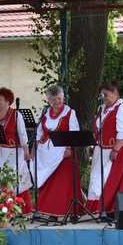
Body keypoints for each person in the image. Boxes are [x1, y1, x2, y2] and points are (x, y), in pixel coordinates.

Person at [0, 87, 33, 213]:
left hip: (12, 154)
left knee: (12, 180)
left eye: (0, 99)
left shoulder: (16, 114)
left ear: (8, 101)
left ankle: (14, 209)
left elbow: (22, 134)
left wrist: (26, 150)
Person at [34, 84, 81, 218]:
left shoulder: (70, 113)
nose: (57, 102)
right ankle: (51, 212)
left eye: (59, 99)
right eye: (53, 100)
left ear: (63, 97)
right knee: (50, 183)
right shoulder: (45, 114)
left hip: (63, 153)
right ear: (49, 100)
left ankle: (71, 212)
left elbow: (74, 133)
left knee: (64, 184)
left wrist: (69, 149)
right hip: (46, 154)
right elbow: (39, 134)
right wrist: (34, 149)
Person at [87, 81, 123, 214]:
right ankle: (97, 208)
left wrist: (116, 149)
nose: (104, 98)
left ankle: (109, 209)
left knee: (111, 179)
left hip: (117, 149)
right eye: (102, 95)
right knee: (97, 178)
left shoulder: (121, 108)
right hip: (101, 148)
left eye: (106, 95)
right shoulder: (102, 109)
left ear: (115, 93)